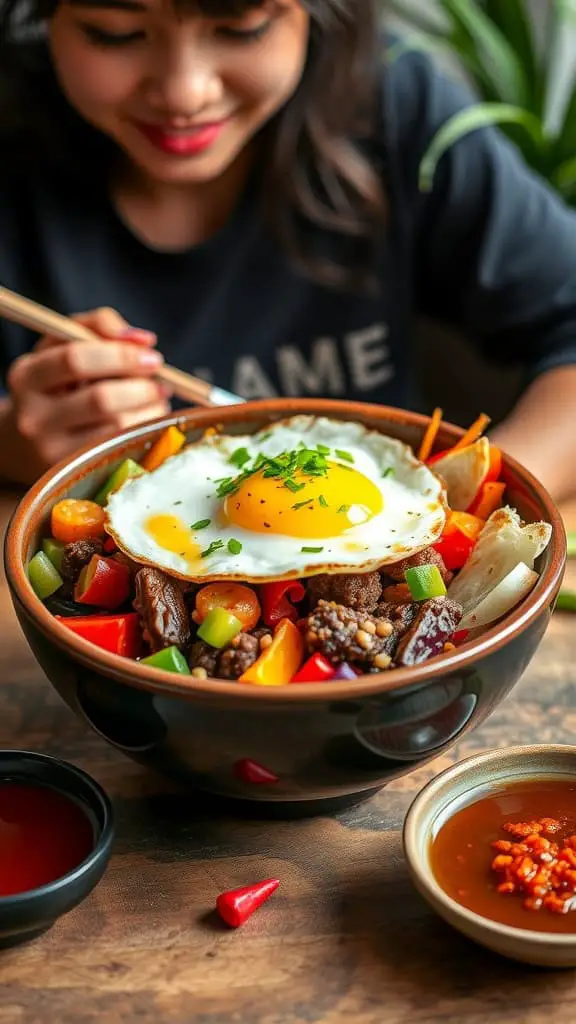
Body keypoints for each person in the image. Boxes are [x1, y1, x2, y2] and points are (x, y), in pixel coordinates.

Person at [0, 0, 575, 499]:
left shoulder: (392, 103)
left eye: (241, 29)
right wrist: (15, 443)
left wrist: (457, 505)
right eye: (114, 32)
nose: (184, 91)